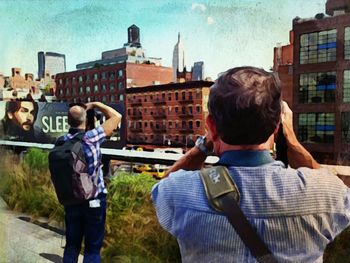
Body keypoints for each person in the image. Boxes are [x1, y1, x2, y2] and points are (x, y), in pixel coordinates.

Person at [151, 66, 350, 262]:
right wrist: (292, 141)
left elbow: (159, 193)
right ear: (277, 126)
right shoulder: (325, 193)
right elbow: (338, 192)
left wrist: (203, 146)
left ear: (211, 125)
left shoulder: (179, 192)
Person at [61, 102, 121, 263]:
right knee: (92, 249)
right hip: (93, 201)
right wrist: (95, 104)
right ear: (85, 120)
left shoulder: (61, 141)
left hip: (71, 200)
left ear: (68, 121)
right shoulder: (91, 138)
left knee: (71, 246)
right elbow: (117, 117)